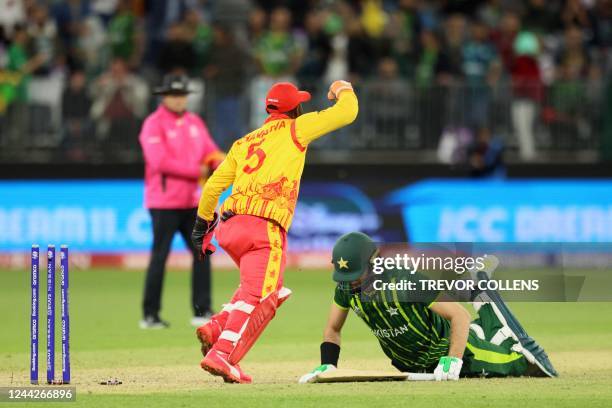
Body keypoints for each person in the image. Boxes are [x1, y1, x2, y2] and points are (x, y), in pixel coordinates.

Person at [191, 80, 359, 383]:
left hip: (230, 227)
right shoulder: (297, 128)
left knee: (258, 286)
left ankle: (217, 326)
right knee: (262, 294)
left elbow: (214, 186)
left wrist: (202, 227)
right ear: (295, 108)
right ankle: (223, 354)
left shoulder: (244, 142)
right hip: (263, 227)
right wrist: (341, 87)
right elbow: (348, 113)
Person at [300, 232, 558, 382]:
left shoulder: (406, 281)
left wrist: (453, 359)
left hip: (457, 351)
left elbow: (459, 315)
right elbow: (333, 328)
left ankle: (481, 284)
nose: (351, 284)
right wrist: (328, 365)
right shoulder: (345, 288)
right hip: (414, 365)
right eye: (345, 278)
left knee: (517, 361)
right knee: (485, 331)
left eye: (356, 276)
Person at [138, 74, 224, 329]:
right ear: (164, 97)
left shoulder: (194, 122)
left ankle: (202, 310)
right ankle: (150, 315)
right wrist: (198, 172)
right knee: (160, 256)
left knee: (201, 253)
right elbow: (159, 162)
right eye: (174, 95)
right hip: (164, 202)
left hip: (193, 202)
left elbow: (211, 153)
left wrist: (221, 166)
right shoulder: (153, 124)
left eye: (182, 95)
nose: (179, 100)